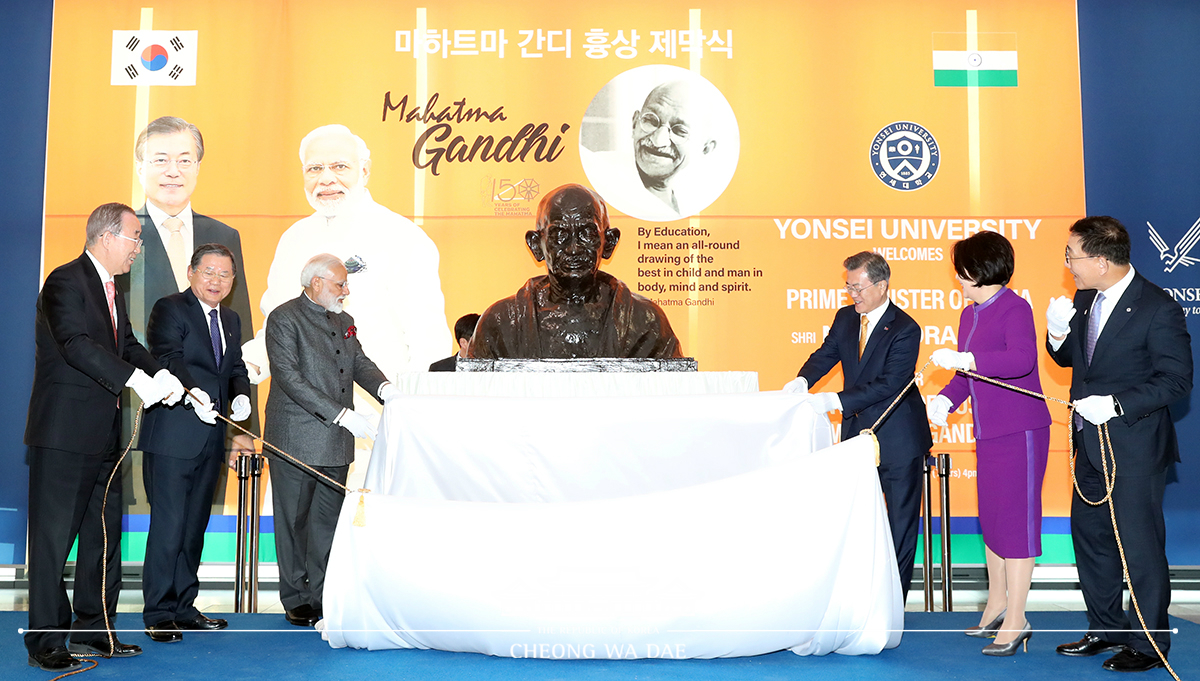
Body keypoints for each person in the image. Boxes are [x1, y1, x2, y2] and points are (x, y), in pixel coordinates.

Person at [23, 203, 186, 672]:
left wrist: (170, 377)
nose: (139, 248)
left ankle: (97, 629)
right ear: (106, 237)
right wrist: (135, 381)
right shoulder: (65, 280)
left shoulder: (112, 287)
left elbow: (128, 346)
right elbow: (75, 344)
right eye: (135, 237)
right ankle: (46, 642)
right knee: (54, 541)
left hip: (104, 436)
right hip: (63, 432)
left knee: (103, 537)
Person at [1047, 216, 1192, 673]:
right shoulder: (1086, 296)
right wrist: (1055, 336)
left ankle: (1149, 643)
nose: (1068, 263)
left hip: (1133, 446)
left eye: (1073, 256)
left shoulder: (1156, 306)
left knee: (1139, 547)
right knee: (1091, 540)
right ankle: (1106, 627)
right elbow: (1077, 359)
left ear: (1103, 261)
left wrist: (1117, 404)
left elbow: (1177, 380)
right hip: (1087, 444)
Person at [926, 232, 1051, 656]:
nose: (958, 279)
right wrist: (946, 397)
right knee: (994, 519)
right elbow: (967, 373)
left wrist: (969, 361)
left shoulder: (1015, 308)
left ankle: (1018, 617)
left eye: (962, 271)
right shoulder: (969, 314)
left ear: (979, 271)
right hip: (990, 431)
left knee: (1016, 523)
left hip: (1021, 430)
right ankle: (996, 601)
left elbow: (1021, 361)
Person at [245, 124, 450, 382]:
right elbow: (277, 326)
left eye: (339, 166)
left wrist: (407, 406)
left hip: (378, 405)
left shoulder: (402, 236)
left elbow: (427, 338)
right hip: (302, 410)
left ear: (364, 170)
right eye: (315, 168)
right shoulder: (293, 239)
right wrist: (240, 373)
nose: (326, 179)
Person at [783, 251, 931, 603]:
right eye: (848, 287)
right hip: (857, 437)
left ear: (881, 286)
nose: (852, 295)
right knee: (857, 520)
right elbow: (827, 353)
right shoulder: (846, 318)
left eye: (858, 288)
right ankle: (858, 600)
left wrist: (836, 401)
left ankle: (892, 606)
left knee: (899, 527)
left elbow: (890, 383)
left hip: (898, 438)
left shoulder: (905, 328)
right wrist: (803, 381)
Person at [264, 253, 402, 627]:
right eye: (340, 284)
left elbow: (359, 363)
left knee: (326, 522)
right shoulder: (284, 317)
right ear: (316, 283)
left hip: (336, 441)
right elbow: (290, 379)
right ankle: (295, 597)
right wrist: (342, 415)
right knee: (294, 522)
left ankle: (321, 593)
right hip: (295, 437)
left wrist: (387, 389)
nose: (346, 290)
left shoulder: (345, 321)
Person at [138, 244, 256, 643]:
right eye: (209, 272)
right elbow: (167, 359)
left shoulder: (233, 319)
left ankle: (185, 607)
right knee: (169, 527)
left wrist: (241, 395)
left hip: (211, 439)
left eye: (225, 275)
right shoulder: (170, 308)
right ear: (191, 273)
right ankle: (158, 612)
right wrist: (192, 392)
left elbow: (235, 366)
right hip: (173, 435)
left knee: (194, 529)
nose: (216, 281)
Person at [468, 184, 682, 359]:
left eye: (586, 233)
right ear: (536, 245)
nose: (573, 248)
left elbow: (673, 398)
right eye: (559, 234)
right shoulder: (500, 324)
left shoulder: (645, 322)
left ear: (608, 242)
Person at [123, 115, 255, 379]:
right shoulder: (119, 235)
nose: (173, 171)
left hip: (213, 394)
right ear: (139, 168)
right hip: (144, 392)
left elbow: (240, 329)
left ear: (197, 167)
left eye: (184, 160)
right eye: (160, 160)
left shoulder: (224, 235)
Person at [582, 80, 720, 222]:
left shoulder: (697, 200)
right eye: (651, 121)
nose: (658, 140)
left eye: (679, 131)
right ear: (635, 123)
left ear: (705, 148)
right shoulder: (598, 171)